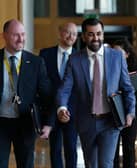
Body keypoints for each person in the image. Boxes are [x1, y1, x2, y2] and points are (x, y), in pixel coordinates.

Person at [56, 18, 136, 168]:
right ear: (84, 36)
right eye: (91, 34)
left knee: (106, 164)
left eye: (99, 34)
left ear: (103, 34)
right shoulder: (74, 60)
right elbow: (64, 88)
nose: (96, 38)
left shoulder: (116, 57)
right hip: (87, 122)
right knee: (91, 164)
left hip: (111, 122)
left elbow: (128, 88)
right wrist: (62, 107)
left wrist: (130, 112)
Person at [0, 19, 52, 168]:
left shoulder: (36, 62)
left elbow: (47, 95)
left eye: (23, 34)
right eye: (15, 35)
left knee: (26, 164)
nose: (21, 39)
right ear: (4, 35)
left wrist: (48, 123)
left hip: (25, 123)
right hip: (1, 123)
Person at [39, 22, 78, 168]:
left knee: (71, 149)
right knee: (54, 149)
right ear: (60, 33)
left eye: (74, 34)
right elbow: (42, 84)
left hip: (72, 111)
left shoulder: (80, 56)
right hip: (51, 110)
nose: (71, 36)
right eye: (68, 32)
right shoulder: (45, 54)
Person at [113, 39, 137, 168]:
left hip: (131, 114)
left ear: (127, 54)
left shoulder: (136, 70)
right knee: (113, 150)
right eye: (113, 52)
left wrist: (129, 97)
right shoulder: (110, 70)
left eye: (118, 52)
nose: (115, 55)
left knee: (129, 147)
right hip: (114, 113)